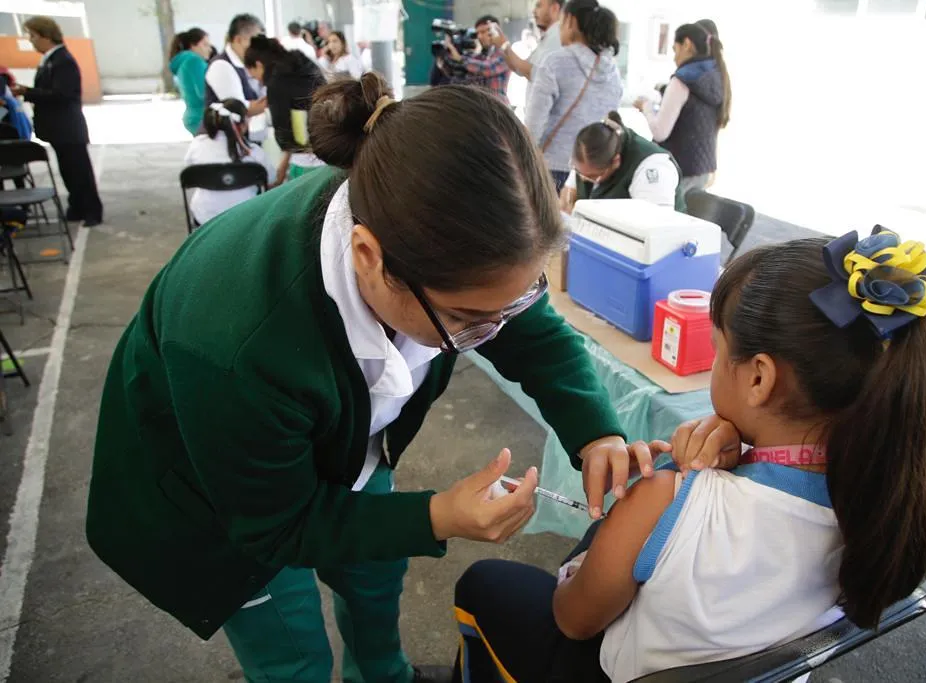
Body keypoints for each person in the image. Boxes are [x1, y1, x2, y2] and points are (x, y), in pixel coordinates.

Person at [87, 72, 662, 683]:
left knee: (376, 575)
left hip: (326, 438)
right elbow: (278, 527)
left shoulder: (446, 246)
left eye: (507, 307)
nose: (491, 334)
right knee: (291, 648)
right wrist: (436, 516)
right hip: (212, 497)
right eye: (467, 320)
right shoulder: (235, 345)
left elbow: (531, 332)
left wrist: (596, 432)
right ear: (368, 257)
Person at [452, 230, 926, 682]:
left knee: (484, 583)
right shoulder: (888, 498)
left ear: (760, 378)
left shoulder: (664, 495)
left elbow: (573, 618)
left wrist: (612, 530)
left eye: (719, 350)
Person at [525, 0, 623, 192]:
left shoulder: (556, 62)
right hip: (592, 171)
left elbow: (533, 125)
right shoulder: (612, 71)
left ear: (570, 21)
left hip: (550, 167)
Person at [13, 16, 103, 226]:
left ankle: (91, 210)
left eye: (34, 36)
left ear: (46, 36)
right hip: (57, 129)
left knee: (80, 171)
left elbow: (62, 94)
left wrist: (28, 92)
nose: (31, 40)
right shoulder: (50, 59)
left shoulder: (63, 60)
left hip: (68, 128)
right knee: (68, 170)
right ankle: (77, 206)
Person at [634, 22, 731, 197]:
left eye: (674, 49)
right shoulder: (717, 75)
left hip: (678, 169)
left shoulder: (682, 79)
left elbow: (660, 132)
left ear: (686, 44)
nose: (674, 57)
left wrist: (646, 107)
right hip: (702, 169)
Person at [560, 111, 685, 213]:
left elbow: (654, 226)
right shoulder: (587, 156)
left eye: (593, 177)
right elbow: (567, 197)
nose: (583, 179)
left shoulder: (652, 167)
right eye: (578, 172)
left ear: (616, 161)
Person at [244, 35, 327, 184]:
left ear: (258, 65)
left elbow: (288, 134)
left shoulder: (276, 84)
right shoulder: (304, 66)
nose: (256, 80)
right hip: (330, 152)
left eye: (253, 75)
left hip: (306, 165)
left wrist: (282, 169)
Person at [183, 100, 275, 226]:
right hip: (247, 218)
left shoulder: (197, 145)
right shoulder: (254, 153)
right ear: (242, 124)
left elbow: (190, 171)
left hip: (205, 217)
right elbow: (271, 180)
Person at [491, 0, 564, 109]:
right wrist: (502, 47)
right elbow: (520, 69)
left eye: (539, 6)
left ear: (554, 8)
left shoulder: (558, 36)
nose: (534, 11)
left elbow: (535, 74)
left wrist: (505, 46)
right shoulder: (548, 37)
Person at [205, 13, 266, 118]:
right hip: (222, 134)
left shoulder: (247, 63)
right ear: (238, 40)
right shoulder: (221, 66)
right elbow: (240, 109)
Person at [442, 15, 511, 104]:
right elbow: (459, 75)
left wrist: (460, 58)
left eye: (483, 32)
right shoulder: (479, 57)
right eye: (477, 33)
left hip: (497, 108)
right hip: (479, 108)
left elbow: (488, 68)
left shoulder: (504, 52)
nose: (479, 37)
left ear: (496, 31)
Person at [169, 28, 213, 135]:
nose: (210, 49)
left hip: (194, 115)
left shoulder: (185, 61)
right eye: (205, 44)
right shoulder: (195, 61)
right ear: (193, 46)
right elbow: (204, 92)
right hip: (201, 117)